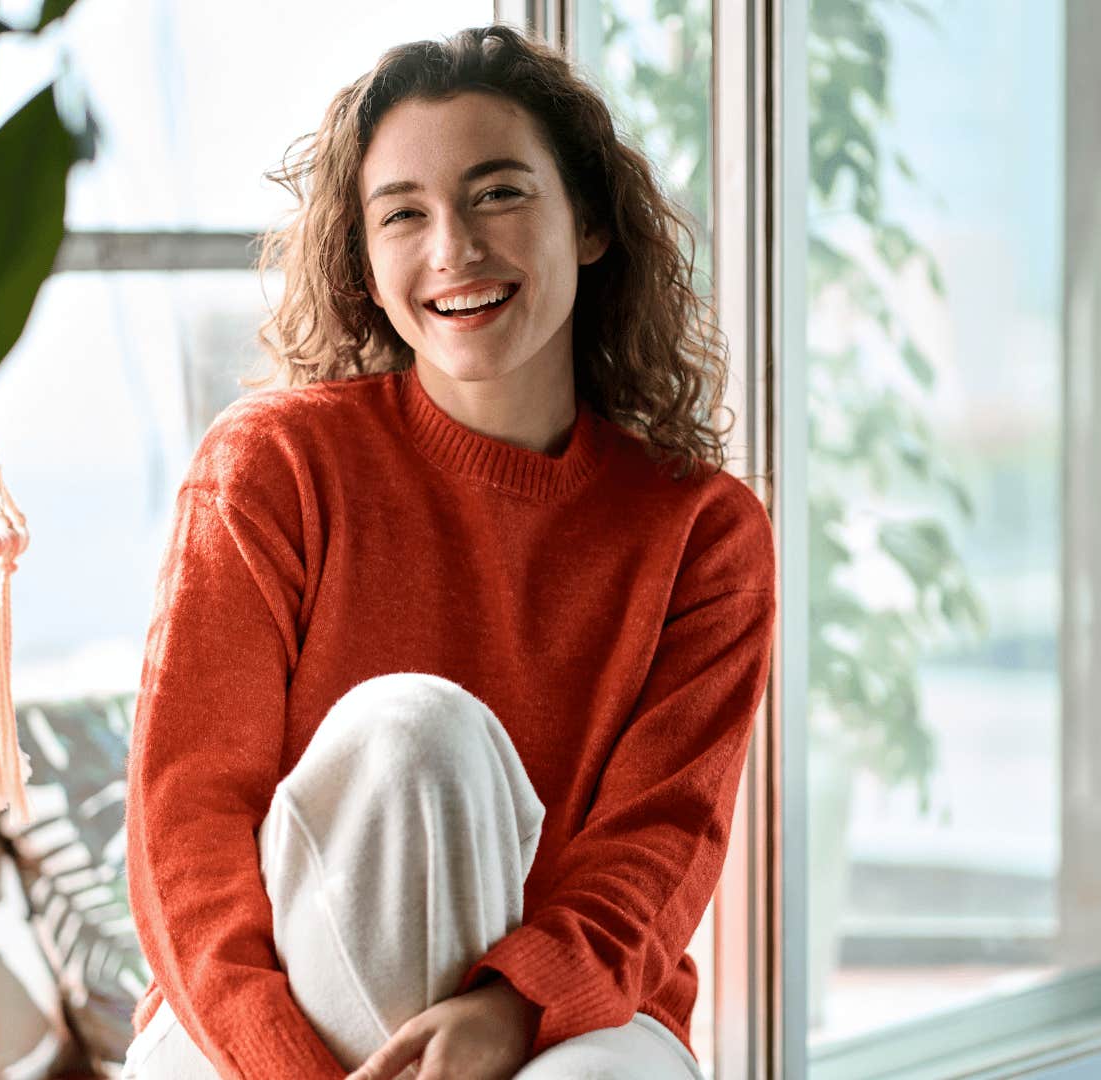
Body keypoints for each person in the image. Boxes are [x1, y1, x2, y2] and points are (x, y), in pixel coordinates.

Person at [121, 23, 776, 1080]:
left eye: (498, 193)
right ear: (365, 264)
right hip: (254, 1012)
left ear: (591, 222)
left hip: (571, 1013)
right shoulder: (270, 468)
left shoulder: (706, 533)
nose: (453, 249)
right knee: (414, 733)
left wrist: (513, 1010)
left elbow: (661, 846)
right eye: (403, 214)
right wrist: (286, 1064)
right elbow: (185, 823)